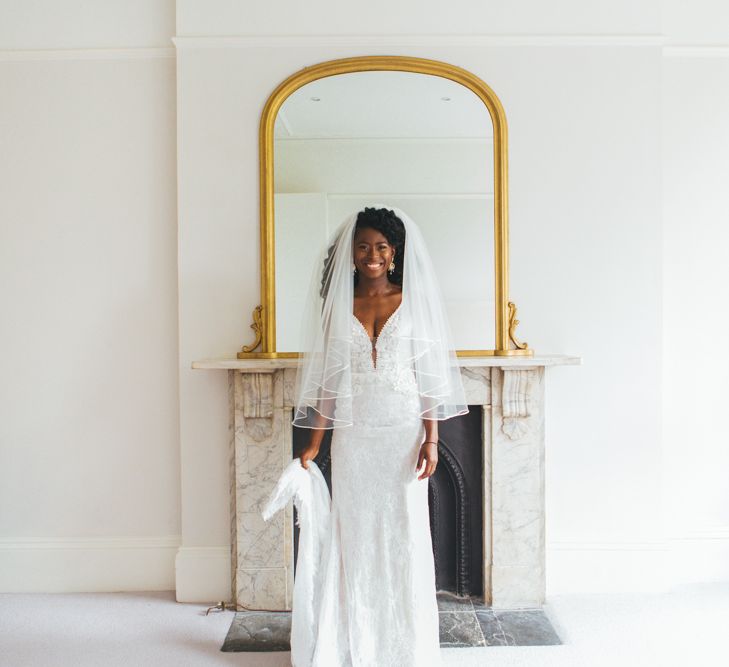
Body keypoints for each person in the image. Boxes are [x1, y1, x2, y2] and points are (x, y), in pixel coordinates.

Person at [290, 206, 468, 667]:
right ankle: (351, 645)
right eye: (364, 246)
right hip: (355, 438)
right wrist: (314, 444)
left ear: (394, 255)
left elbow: (429, 378)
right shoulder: (339, 308)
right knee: (354, 538)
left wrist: (431, 439)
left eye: (382, 247)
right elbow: (330, 385)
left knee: (403, 534)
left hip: (402, 434)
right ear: (352, 253)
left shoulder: (411, 302)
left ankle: (403, 649)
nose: (373, 255)